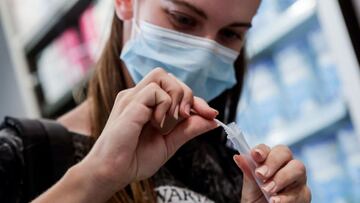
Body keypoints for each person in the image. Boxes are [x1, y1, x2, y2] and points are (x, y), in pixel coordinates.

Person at [0, 0, 311, 203]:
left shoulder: (223, 162)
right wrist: (97, 176)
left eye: (230, 34)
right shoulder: (20, 154)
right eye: (183, 19)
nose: (204, 57)